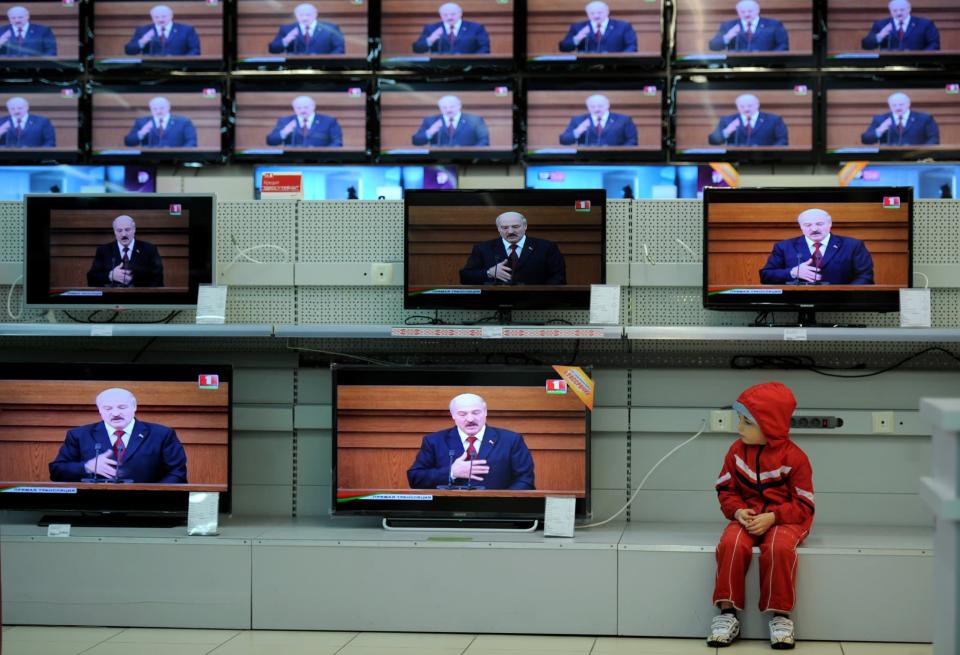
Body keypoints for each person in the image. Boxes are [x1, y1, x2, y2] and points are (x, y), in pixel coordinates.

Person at [706, 382, 814, 649]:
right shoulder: (735, 451)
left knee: (778, 548)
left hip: (786, 520)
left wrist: (773, 517)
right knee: (731, 544)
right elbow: (725, 488)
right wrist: (738, 511)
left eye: (746, 422)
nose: (739, 427)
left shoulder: (796, 458)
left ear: (770, 426)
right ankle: (727, 614)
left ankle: (781, 616)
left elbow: (804, 504)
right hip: (749, 516)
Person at [49, 387, 188, 484]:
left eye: (122, 407)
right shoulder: (79, 435)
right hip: (93, 506)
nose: (115, 413)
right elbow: (56, 471)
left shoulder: (162, 434)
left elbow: (177, 474)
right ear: (100, 411)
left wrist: (151, 495)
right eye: (108, 408)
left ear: (134, 407)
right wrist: (86, 467)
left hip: (147, 507)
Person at [407, 393, 535, 490]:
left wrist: (501, 502)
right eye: (462, 414)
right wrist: (452, 472)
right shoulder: (434, 441)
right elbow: (415, 478)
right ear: (453, 416)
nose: (470, 419)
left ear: (485, 412)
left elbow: (525, 480)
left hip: (497, 513)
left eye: (476, 412)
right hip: (447, 510)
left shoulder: (511, 440)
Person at [759, 208, 875, 285]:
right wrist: (793, 272)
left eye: (819, 224)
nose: (814, 229)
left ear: (830, 224)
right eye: (808, 225)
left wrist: (844, 295)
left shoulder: (853, 245)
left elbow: (865, 277)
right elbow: (766, 276)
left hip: (841, 305)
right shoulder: (784, 247)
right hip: (797, 303)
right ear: (801, 227)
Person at [459, 211, 566, 285]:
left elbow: (559, 278)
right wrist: (489, 273)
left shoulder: (546, 247)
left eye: (515, 227)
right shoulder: (483, 248)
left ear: (525, 226)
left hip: (535, 305)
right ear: (498, 229)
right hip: (494, 304)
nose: (510, 231)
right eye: (505, 227)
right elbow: (465, 277)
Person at [86, 214, 165, 287]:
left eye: (127, 230)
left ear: (134, 230)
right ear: (114, 232)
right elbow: (91, 278)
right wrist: (110, 276)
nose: (124, 234)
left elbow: (158, 280)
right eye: (119, 231)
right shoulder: (104, 250)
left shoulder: (149, 249)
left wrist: (136, 280)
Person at [860, 92, 939, 146]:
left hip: (917, 159)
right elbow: (865, 140)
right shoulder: (881, 119)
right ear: (889, 106)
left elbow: (934, 139)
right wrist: (880, 130)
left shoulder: (924, 118)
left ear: (908, 104)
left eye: (901, 104)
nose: (898, 108)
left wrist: (921, 151)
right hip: (889, 160)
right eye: (894, 105)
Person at [708, 94, 788, 147]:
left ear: (757, 105)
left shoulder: (773, 120)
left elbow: (783, 141)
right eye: (742, 106)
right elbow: (713, 141)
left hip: (766, 161)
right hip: (736, 160)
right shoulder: (728, 120)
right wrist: (727, 131)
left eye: (749, 106)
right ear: (737, 107)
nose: (746, 109)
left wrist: (771, 153)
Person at [559, 94, 638, 147]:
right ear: (588, 107)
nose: (596, 109)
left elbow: (633, 141)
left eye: (600, 106)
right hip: (586, 161)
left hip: (616, 160)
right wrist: (578, 131)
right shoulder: (579, 120)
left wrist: (620, 154)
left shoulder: (623, 119)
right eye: (592, 107)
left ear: (608, 105)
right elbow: (563, 140)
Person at [708, 0, 788, 52]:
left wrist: (771, 58)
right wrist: (728, 36)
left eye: (750, 11)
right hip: (736, 68)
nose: (747, 14)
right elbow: (713, 46)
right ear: (738, 12)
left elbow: (784, 46)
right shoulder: (729, 26)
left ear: (757, 10)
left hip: (767, 67)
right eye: (742, 12)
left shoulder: (773, 24)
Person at [559, 1, 637, 53]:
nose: (596, 16)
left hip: (615, 67)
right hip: (585, 69)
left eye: (600, 13)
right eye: (592, 13)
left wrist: (621, 59)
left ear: (607, 12)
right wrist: (577, 38)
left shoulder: (622, 26)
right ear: (587, 14)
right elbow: (563, 47)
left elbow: (632, 46)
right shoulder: (578, 27)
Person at [412, 2, 489, 54]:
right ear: (440, 15)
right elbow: (417, 49)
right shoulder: (432, 28)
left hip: (469, 68)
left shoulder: (475, 27)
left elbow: (485, 48)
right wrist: (430, 39)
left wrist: (473, 62)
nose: (449, 17)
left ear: (460, 14)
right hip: (440, 69)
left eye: (453, 14)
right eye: (445, 15)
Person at [411, 95, 488, 147]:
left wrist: (472, 154)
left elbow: (484, 140)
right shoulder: (431, 120)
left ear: (459, 106)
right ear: (440, 108)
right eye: (444, 107)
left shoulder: (474, 120)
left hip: (467, 160)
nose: (448, 110)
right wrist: (430, 131)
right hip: (440, 160)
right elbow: (416, 141)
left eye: (452, 107)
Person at [268, 3, 344, 55]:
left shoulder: (330, 28)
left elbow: (340, 49)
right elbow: (273, 49)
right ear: (296, 15)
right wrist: (286, 40)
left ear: (315, 14)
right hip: (295, 70)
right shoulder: (287, 29)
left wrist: (328, 61)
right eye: (301, 15)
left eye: (308, 15)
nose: (304, 18)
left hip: (323, 68)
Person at [266, 95, 342, 147]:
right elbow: (271, 141)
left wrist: (325, 154)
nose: (302, 110)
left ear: (313, 107)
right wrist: (285, 132)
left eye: (306, 107)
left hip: (320, 161)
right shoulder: (286, 121)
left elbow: (337, 142)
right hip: (292, 161)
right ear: (294, 109)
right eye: (299, 108)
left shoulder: (328, 121)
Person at [861, 0, 939, 51]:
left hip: (917, 64)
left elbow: (934, 44)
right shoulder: (881, 24)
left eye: (902, 10)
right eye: (895, 10)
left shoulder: (924, 24)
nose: (899, 13)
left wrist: (921, 57)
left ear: (909, 9)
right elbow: (866, 45)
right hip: (888, 66)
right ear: (890, 11)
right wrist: (880, 35)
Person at [124, 4, 201, 56]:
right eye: (156, 17)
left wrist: (183, 63)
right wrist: (142, 41)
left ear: (171, 16)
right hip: (151, 69)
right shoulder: (144, 30)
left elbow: (195, 50)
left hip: (179, 68)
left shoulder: (186, 30)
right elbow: (129, 51)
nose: (160, 20)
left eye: (163, 16)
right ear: (152, 17)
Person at [123, 96, 197, 148]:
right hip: (150, 160)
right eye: (155, 109)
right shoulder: (142, 122)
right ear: (150, 109)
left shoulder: (183, 122)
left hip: (176, 161)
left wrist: (180, 154)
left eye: (161, 108)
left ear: (168, 107)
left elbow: (192, 142)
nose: (158, 111)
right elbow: (128, 142)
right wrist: (142, 133)